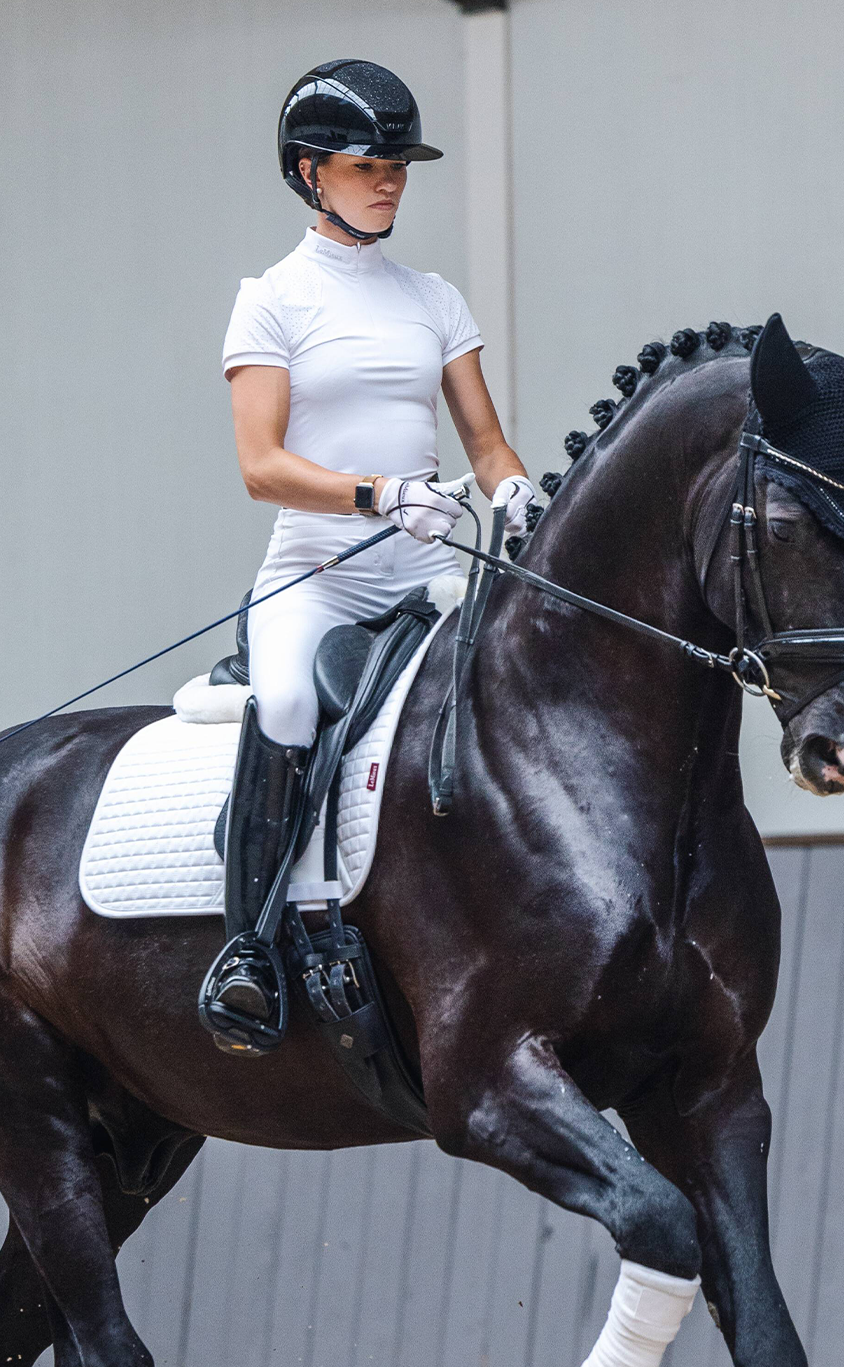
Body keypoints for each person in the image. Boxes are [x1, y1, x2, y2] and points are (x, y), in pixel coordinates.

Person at [202, 59, 534, 1049]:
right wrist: (379, 493)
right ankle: (246, 951)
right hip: (319, 576)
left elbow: (482, 440)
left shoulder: (434, 298)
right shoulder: (271, 301)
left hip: (423, 579)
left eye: (399, 165)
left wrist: (512, 488)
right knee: (291, 702)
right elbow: (261, 465)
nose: (390, 180)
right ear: (310, 172)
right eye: (367, 164)